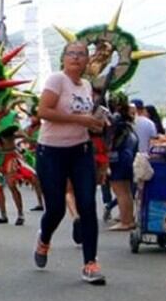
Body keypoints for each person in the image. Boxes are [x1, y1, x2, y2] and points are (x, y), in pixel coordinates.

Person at [34, 41, 106, 285]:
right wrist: (81, 119)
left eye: (81, 54)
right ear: (63, 58)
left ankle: (90, 263)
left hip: (81, 150)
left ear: (87, 61)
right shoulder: (56, 80)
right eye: (71, 54)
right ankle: (44, 239)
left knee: (87, 204)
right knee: (56, 209)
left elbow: (85, 119)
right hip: (51, 151)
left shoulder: (86, 85)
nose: (76, 58)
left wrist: (94, 123)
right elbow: (42, 111)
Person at [107, 92, 138, 231]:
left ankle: (126, 221)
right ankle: (128, 218)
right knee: (126, 190)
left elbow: (109, 138)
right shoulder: (127, 120)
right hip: (127, 156)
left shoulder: (115, 119)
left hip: (118, 156)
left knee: (120, 190)